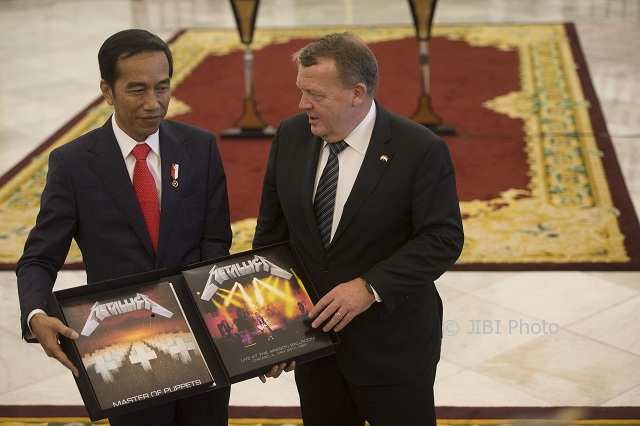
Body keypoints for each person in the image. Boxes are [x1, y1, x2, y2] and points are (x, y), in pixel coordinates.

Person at [16, 29, 232, 426]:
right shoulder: (74, 164)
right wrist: (34, 314)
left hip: (200, 345)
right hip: (124, 353)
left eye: (162, 87)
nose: (154, 104)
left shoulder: (200, 148)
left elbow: (216, 240)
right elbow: (39, 257)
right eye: (137, 90)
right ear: (107, 91)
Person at [253, 33, 464, 426]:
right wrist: (275, 330)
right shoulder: (291, 136)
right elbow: (271, 238)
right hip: (315, 346)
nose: (303, 105)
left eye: (315, 95)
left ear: (357, 93)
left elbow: (443, 239)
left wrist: (369, 286)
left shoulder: (419, 148)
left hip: (392, 348)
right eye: (301, 91)